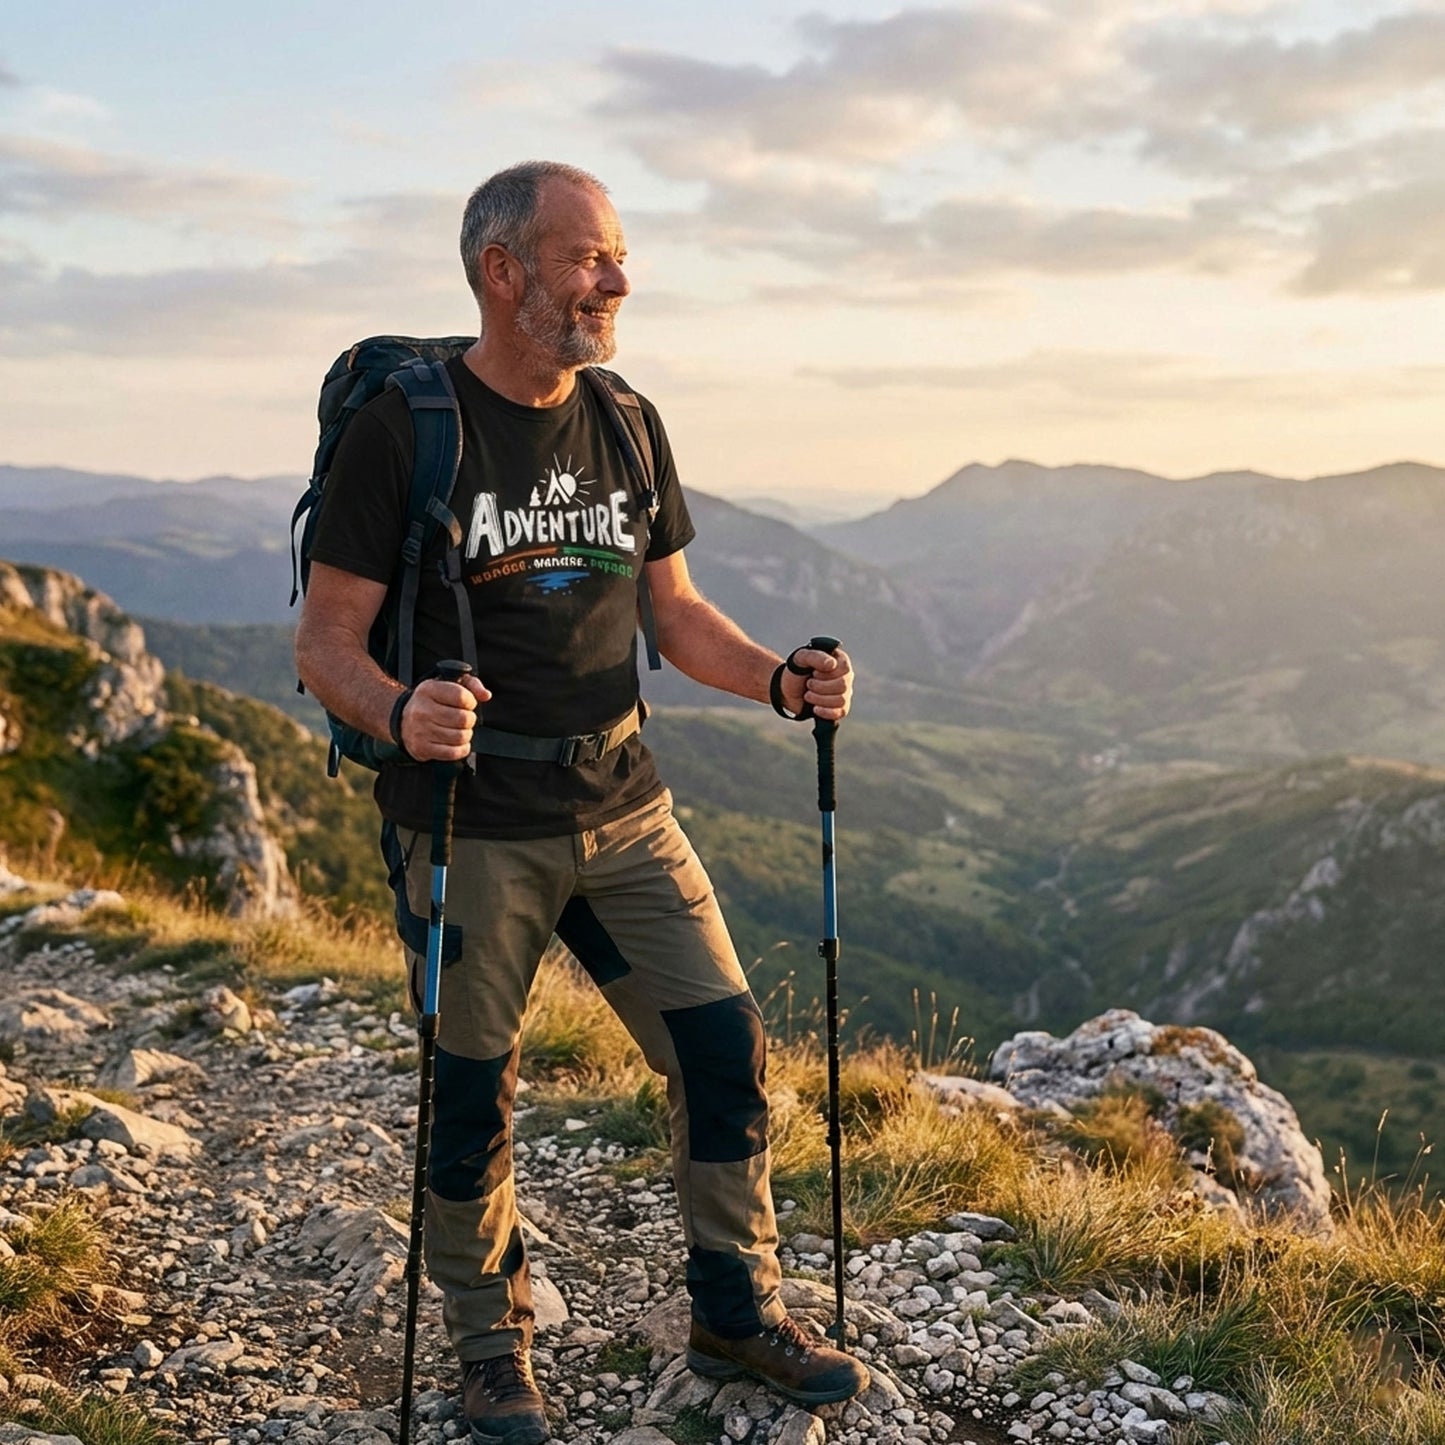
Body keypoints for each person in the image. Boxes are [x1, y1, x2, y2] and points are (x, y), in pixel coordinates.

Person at [295, 159, 867, 1445]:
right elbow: (324, 640)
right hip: (467, 824)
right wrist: (397, 712)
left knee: (721, 1048)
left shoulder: (624, 417)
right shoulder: (410, 429)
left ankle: (734, 1307)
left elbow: (670, 612)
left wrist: (777, 679)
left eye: (618, 255)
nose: (617, 279)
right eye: (588, 256)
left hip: (622, 803)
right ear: (504, 272)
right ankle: (492, 1350)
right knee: (471, 1093)